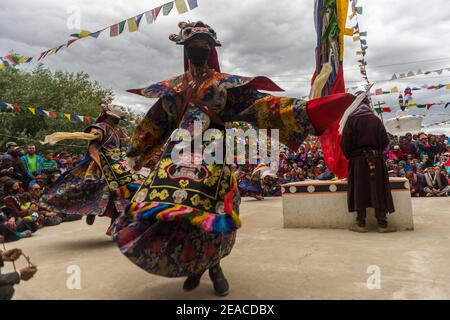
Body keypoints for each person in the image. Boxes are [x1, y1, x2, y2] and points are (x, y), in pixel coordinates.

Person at [112, 21, 355, 296]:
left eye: (204, 46)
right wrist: (133, 155)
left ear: (212, 49)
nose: (199, 50)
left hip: (213, 155)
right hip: (175, 157)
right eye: (193, 46)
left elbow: (264, 106)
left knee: (216, 212)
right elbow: (154, 123)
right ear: (185, 49)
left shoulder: (226, 85)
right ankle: (192, 265)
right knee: (166, 212)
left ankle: (214, 267)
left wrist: (309, 110)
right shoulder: (173, 89)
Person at [41, 103, 144, 232]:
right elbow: (93, 148)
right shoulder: (99, 128)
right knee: (97, 188)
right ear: (109, 117)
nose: (118, 121)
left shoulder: (116, 130)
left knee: (122, 194)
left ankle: (115, 225)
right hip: (103, 163)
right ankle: (93, 212)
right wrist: (100, 164)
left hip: (119, 163)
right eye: (116, 119)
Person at [340, 93, 396, 233]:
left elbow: (345, 144)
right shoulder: (376, 120)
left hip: (358, 161)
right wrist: (375, 152)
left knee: (359, 188)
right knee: (378, 188)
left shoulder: (351, 121)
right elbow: (385, 141)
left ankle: (361, 224)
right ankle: (382, 224)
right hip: (376, 160)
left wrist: (354, 156)